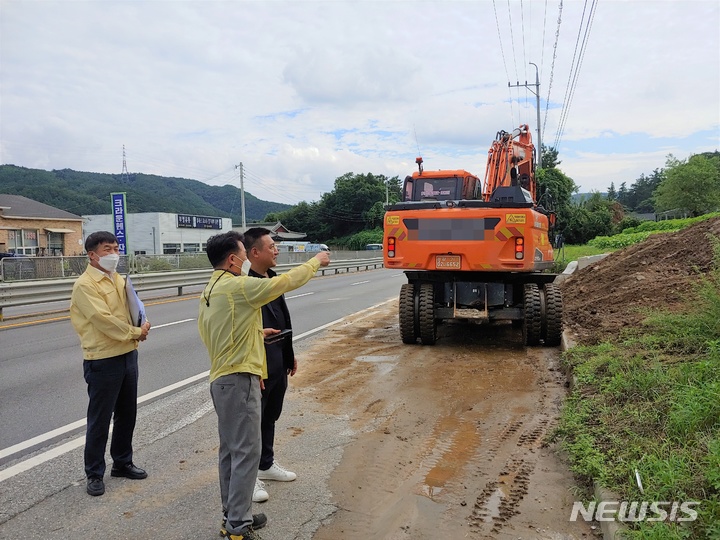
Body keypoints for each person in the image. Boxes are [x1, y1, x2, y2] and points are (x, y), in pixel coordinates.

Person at [198, 231, 330, 540]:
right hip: (238, 380)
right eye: (243, 253)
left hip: (223, 378)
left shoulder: (211, 289)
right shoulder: (237, 286)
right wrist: (314, 262)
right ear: (233, 259)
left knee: (231, 451)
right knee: (247, 452)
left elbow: (220, 332)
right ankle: (238, 527)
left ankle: (233, 514)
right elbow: (280, 284)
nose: (245, 259)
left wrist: (256, 334)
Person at [69, 231, 151, 497]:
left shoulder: (116, 278)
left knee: (127, 413)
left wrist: (142, 324)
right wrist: (135, 332)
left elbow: (132, 307)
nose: (114, 253)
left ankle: (122, 462)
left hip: (128, 353)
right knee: (100, 419)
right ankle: (94, 473)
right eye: (107, 249)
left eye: (116, 248)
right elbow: (103, 320)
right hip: (102, 359)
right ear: (92, 254)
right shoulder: (85, 285)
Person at [242, 229, 298, 505]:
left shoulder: (271, 279)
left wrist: (289, 354)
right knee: (251, 422)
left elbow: (282, 319)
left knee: (270, 415)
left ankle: (266, 463)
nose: (276, 251)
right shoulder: (245, 285)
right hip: (259, 363)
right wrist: (256, 369)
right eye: (272, 246)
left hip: (278, 357)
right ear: (255, 252)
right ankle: (248, 477)